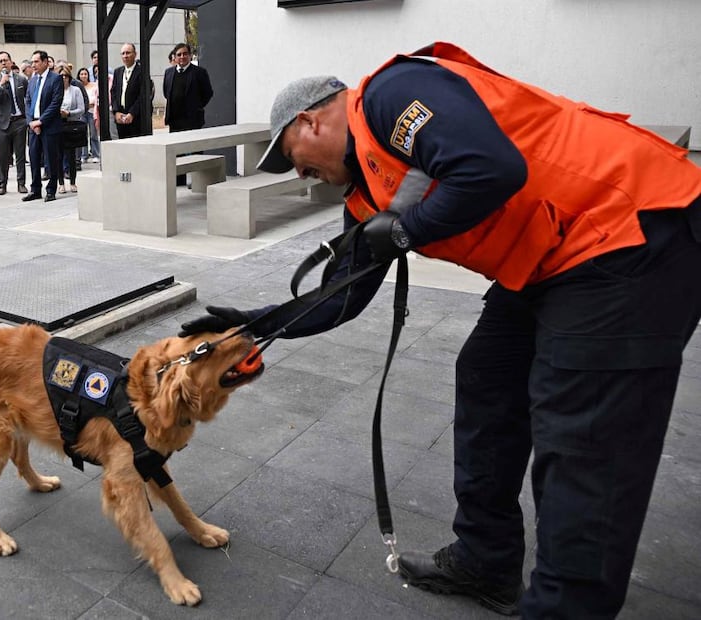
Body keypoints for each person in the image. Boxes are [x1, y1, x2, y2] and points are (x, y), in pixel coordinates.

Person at [179, 42, 701, 618]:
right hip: (547, 257)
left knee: (583, 440)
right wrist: (248, 326)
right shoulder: (364, 195)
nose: (300, 173)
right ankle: (486, 559)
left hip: (629, 229)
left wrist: (406, 232)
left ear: (312, 120)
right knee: (486, 379)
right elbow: (341, 298)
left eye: (291, 156)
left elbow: (491, 168)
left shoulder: (389, 96)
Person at [162, 43, 213, 186]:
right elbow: (166, 92)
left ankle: (198, 182)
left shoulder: (199, 72)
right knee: (176, 152)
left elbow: (208, 93)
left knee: (195, 152)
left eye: (185, 54)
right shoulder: (169, 72)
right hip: (175, 120)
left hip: (192, 120)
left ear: (190, 55)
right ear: (174, 57)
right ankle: (179, 180)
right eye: (179, 54)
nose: (182, 57)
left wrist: (196, 107)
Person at [21, 49, 62, 203]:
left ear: (45, 62)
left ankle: (51, 190)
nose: (33, 65)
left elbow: (55, 103)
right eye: (32, 62)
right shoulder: (32, 80)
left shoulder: (55, 79)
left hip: (49, 125)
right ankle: (35, 189)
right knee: (33, 158)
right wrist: (31, 122)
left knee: (51, 159)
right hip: (33, 126)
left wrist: (41, 121)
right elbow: (28, 102)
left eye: (36, 62)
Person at [0, 50, 28, 195]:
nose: (4, 63)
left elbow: (28, 98)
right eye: (1, 61)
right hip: (2, 123)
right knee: (3, 156)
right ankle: (2, 184)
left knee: (20, 155)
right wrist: (1, 84)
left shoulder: (21, 79)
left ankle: (21, 183)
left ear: (11, 62)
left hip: (19, 121)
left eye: (6, 60)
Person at [110, 43, 148, 139]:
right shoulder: (118, 72)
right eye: (123, 53)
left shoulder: (142, 71)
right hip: (121, 117)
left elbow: (143, 95)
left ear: (135, 54)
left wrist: (132, 113)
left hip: (136, 118)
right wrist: (116, 112)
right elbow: (113, 92)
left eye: (128, 53)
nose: (125, 56)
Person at [57, 67, 84, 194]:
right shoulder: (55, 90)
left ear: (69, 77)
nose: (63, 78)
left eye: (66, 76)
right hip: (57, 124)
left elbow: (81, 108)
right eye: (61, 76)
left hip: (71, 124)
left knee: (71, 156)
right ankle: (61, 183)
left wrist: (69, 113)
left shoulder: (75, 90)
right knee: (58, 155)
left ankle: (73, 182)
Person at [78, 67, 100, 163]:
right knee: (83, 134)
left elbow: (97, 97)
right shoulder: (78, 86)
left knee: (93, 134)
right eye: (82, 74)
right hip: (82, 112)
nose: (83, 76)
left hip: (92, 111)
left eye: (85, 74)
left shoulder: (94, 85)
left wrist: (91, 103)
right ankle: (84, 155)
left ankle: (96, 154)